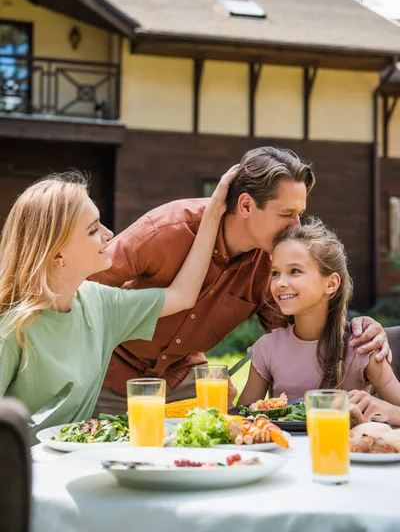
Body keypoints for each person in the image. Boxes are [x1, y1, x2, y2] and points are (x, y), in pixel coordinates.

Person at [91, 147, 391, 414]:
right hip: (109, 372)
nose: (295, 226)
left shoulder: (274, 264)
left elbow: (302, 328)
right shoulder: (168, 229)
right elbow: (81, 292)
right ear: (246, 205)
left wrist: (361, 328)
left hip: (183, 376)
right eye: (286, 213)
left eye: (300, 214)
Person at [0, 166, 236, 430]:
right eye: (92, 230)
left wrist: (215, 209)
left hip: (74, 462)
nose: (108, 234)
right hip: (22, 468)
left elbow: (182, 295)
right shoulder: (11, 329)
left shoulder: (99, 304)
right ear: (57, 255)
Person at [238, 219, 400, 405]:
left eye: (295, 271)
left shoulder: (361, 346)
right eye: (275, 273)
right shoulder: (267, 347)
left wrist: (383, 409)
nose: (280, 282)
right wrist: (226, 405)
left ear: (331, 284)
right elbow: (244, 418)